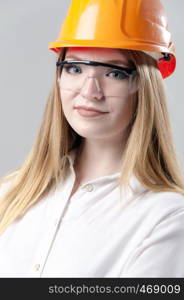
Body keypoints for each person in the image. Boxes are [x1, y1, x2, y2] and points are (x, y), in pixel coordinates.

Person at [0, 0, 184, 278]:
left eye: (114, 73)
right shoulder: (10, 192)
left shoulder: (167, 218)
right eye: (75, 68)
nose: (90, 91)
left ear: (144, 86)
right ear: (59, 75)